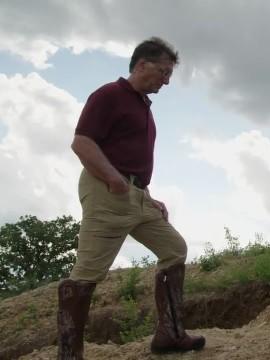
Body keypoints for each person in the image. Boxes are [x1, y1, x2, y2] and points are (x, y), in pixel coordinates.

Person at [57, 37, 205, 359]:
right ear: (141, 65)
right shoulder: (109, 95)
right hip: (106, 192)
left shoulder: (143, 108)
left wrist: (147, 196)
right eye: (164, 72)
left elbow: (130, 160)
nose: (167, 81)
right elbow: (82, 142)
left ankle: (169, 334)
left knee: (174, 249)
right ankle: (69, 355)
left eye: (169, 75)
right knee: (87, 274)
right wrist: (113, 179)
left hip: (136, 195)